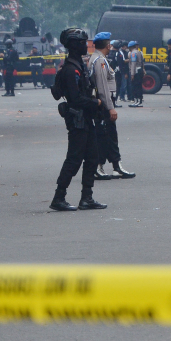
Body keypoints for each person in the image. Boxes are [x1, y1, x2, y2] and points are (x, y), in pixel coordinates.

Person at [50, 28, 108, 212]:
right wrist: (96, 102)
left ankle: (87, 197)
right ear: (74, 45)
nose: (86, 45)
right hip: (77, 119)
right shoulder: (70, 69)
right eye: (83, 42)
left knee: (92, 157)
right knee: (74, 159)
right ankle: (59, 197)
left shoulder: (79, 65)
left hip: (86, 118)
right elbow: (75, 98)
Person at [89, 32, 136, 180]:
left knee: (110, 135)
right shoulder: (99, 61)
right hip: (103, 104)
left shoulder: (99, 58)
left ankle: (116, 165)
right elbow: (102, 87)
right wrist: (110, 107)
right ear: (107, 45)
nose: (110, 46)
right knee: (102, 136)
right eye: (109, 43)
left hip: (104, 103)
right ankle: (98, 166)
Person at [128, 41, 145, 107]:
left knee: (135, 86)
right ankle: (138, 101)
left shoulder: (133, 53)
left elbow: (133, 64)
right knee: (138, 86)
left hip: (136, 71)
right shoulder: (139, 52)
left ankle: (137, 101)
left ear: (130, 47)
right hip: (139, 70)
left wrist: (132, 74)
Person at [108, 40, 123, 108]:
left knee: (110, 88)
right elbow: (120, 63)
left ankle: (110, 102)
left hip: (109, 72)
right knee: (117, 87)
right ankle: (114, 102)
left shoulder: (109, 53)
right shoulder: (118, 53)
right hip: (117, 73)